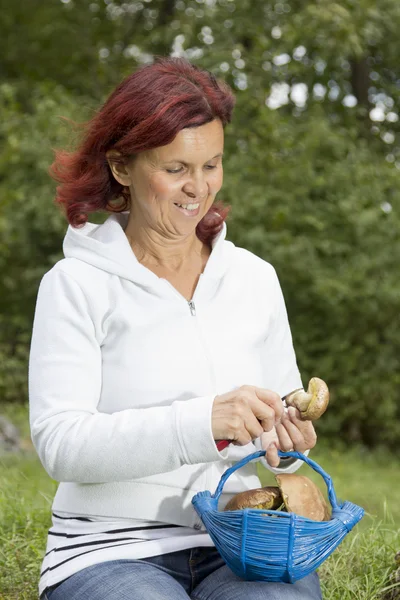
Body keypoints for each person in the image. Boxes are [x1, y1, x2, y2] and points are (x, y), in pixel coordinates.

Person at [29, 57, 321, 600]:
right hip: (108, 550)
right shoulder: (75, 284)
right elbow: (61, 444)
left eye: (212, 165)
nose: (198, 188)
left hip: (242, 540)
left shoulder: (255, 278)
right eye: (176, 169)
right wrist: (203, 421)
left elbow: (285, 407)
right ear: (121, 167)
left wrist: (289, 437)